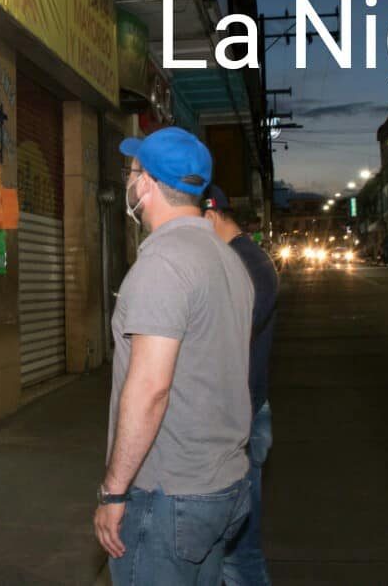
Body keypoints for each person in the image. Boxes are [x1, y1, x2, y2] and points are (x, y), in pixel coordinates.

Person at [94, 127, 254, 584]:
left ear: (146, 183)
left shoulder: (162, 265)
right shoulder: (226, 258)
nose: (129, 182)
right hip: (223, 485)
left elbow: (149, 390)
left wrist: (113, 492)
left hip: (169, 495)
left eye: (132, 172)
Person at [204, 186, 279, 586]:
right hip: (242, 415)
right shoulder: (242, 259)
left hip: (241, 421)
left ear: (210, 216)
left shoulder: (244, 264)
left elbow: (224, 339)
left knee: (238, 554)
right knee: (224, 551)